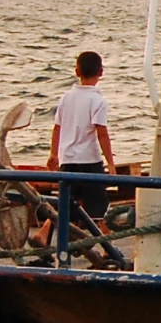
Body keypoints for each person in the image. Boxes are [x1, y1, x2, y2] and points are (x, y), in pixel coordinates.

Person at [46, 51, 116, 254]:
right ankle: (108, 248)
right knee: (100, 207)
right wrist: (110, 163)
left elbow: (57, 127)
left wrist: (53, 153)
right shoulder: (98, 101)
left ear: (77, 71)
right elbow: (102, 133)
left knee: (66, 204)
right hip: (89, 160)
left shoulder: (66, 98)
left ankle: (44, 234)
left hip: (68, 159)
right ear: (101, 73)